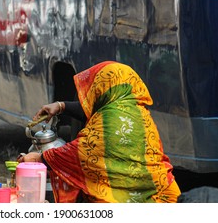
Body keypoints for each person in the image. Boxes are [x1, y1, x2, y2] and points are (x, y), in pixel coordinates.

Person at [18, 61, 181, 203]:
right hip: (163, 196)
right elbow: (92, 108)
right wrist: (61, 106)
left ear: (102, 88)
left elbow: (81, 154)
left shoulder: (110, 120)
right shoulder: (140, 113)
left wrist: (39, 158)